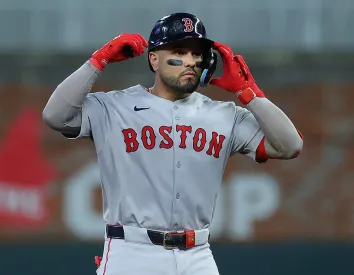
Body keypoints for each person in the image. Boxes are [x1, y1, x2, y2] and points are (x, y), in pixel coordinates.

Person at [43, 12, 303, 275]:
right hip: (132, 251)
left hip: (197, 254)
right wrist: (97, 61)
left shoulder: (226, 115)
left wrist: (249, 94)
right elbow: (55, 116)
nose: (191, 61)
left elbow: (289, 146)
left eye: (197, 54)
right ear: (154, 59)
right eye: (180, 51)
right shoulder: (114, 106)